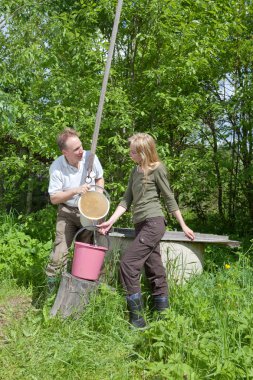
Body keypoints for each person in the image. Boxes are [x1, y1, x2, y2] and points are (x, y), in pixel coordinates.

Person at [98, 133, 195, 328]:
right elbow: (126, 200)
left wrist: (183, 224)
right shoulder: (134, 172)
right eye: (131, 151)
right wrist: (109, 222)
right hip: (140, 225)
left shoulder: (158, 169)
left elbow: (169, 198)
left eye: (134, 151)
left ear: (144, 152)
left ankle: (138, 320)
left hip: (154, 223)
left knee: (128, 264)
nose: (130, 154)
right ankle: (163, 317)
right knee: (154, 268)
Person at [46, 128, 104, 288]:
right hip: (67, 213)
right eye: (76, 149)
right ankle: (52, 292)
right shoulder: (57, 167)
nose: (81, 151)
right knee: (59, 255)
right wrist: (75, 190)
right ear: (65, 152)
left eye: (81, 146)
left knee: (85, 254)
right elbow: (54, 198)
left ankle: (80, 290)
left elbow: (99, 179)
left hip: (90, 213)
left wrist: (98, 198)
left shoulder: (91, 158)